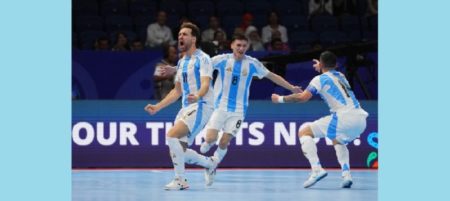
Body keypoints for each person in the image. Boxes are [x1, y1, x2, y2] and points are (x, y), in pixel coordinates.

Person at [199, 34, 302, 186]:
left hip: (239, 110)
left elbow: (272, 76)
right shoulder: (221, 60)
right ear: (232, 46)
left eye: (244, 46)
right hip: (219, 107)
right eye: (238, 45)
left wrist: (292, 88)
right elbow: (199, 65)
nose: (241, 48)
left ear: (247, 47)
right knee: (209, 140)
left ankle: (212, 164)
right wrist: (175, 68)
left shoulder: (252, 63)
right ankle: (209, 147)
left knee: (224, 142)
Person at [271, 51, 369, 188]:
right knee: (338, 139)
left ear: (322, 64)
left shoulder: (319, 79)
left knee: (304, 132)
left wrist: (280, 99)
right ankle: (346, 175)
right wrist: (322, 66)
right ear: (336, 64)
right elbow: (330, 74)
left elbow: (303, 97)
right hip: (361, 119)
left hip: (343, 117)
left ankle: (317, 169)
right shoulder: (341, 75)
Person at [144, 22, 218, 190]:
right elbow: (176, 91)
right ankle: (209, 163)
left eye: (184, 34)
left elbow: (206, 83)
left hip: (201, 105)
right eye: (179, 35)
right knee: (180, 151)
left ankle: (180, 180)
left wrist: (198, 95)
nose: (180, 37)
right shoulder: (182, 61)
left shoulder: (203, 58)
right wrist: (158, 107)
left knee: (171, 136)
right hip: (186, 107)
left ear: (194, 38)